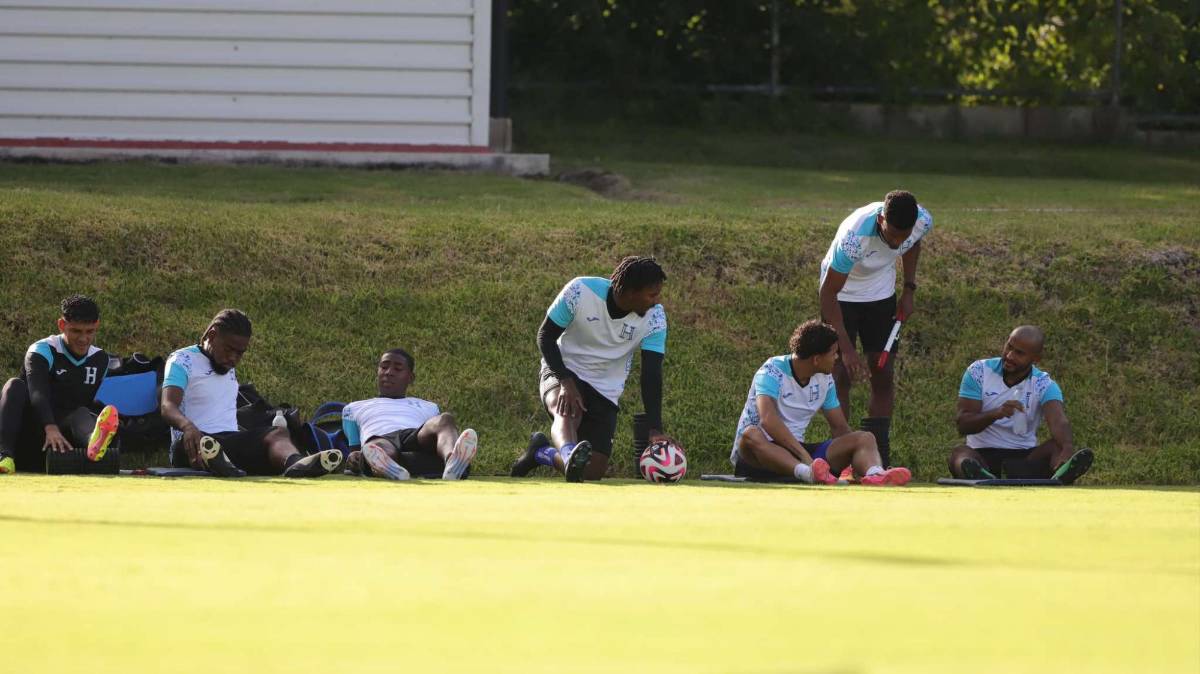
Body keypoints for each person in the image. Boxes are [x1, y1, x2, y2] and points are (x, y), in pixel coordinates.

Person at [510, 256, 682, 482]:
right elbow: (545, 337)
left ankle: (541, 452)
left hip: (605, 388)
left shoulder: (655, 317)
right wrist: (566, 381)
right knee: (568, 412)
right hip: (565, 369)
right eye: (652, 294)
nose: (657, 301)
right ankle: (569, 453)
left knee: (592, 472)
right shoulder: (580, 291)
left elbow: (651, 373)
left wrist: (655, 428)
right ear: (631, 292)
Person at [818, 190, 932, 467]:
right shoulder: (855, 238)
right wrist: (846, 349)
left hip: (880, 295)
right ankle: (842, 459)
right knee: (840, 374)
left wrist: (908, 289)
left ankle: (877, 456)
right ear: (881, 218)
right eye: (891, 235)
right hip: (841, 296)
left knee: (883, 372)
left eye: (901, 237)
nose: (896, 243)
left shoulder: (920, 222)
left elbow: (912, 243)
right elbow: (828, 294)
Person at [160, 309, 342, 478]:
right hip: (191, 444)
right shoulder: (182, 360)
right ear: (212, 335)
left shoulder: (225, 365)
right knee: (208, 444)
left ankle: (296, 464)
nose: (233, 358)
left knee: (277, 433)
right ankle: (218, 461)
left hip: (229, 442)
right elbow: (168, 406)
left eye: (240, 353)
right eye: (229, 349)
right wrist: (187, 426)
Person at [731, 320, 911, 486]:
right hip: (758, 455)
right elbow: (767, 419)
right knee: (751, 434)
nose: (837, 358)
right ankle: (808, 473)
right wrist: (805, 458)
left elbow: (839, 427)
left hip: (803, 456)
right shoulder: (771, 371)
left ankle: (875, 475)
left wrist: (848, 461)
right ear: (816, 359)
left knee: (865, 438)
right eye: (833, 353)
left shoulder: (825, 379)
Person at [948, 325, 1093, 483]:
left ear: (1036, 359)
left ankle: (1062, 472)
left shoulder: (1043, 383)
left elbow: (1058, 420)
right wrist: (996, 413)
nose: (1009, 356)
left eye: (1019, 353)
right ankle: (979, 475)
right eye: (1009, 347)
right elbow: (963, 424)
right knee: (960, 454)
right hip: (981, 455)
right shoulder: (979, 371)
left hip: (1024, 459)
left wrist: (1067, 448)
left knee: (1057, 446)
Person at [0, 295, 119, 473]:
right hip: (30, 431)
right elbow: (37, 393)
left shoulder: (100, 359)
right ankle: (4, 455)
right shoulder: (41, 350)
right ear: (62, 325)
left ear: (97, 326)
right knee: (14, 385)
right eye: (76, 331)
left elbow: (82, 405)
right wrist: (50, 426)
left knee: (82, 412)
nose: (83, 339)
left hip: (61, 443)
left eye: (89, 332)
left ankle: (93, 442)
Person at [341, 348, 478, 481]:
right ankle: (388, 466)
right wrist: (355, 456)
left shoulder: (429, 407)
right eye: (384, 367)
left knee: (445, 419)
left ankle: (452, 462)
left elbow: (435, 436)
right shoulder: (353, 408)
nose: (389, 372)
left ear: (410, 378)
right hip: (381, 438)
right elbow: (355, 449)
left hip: (415, 437)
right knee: (377, 447)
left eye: (398, 369)